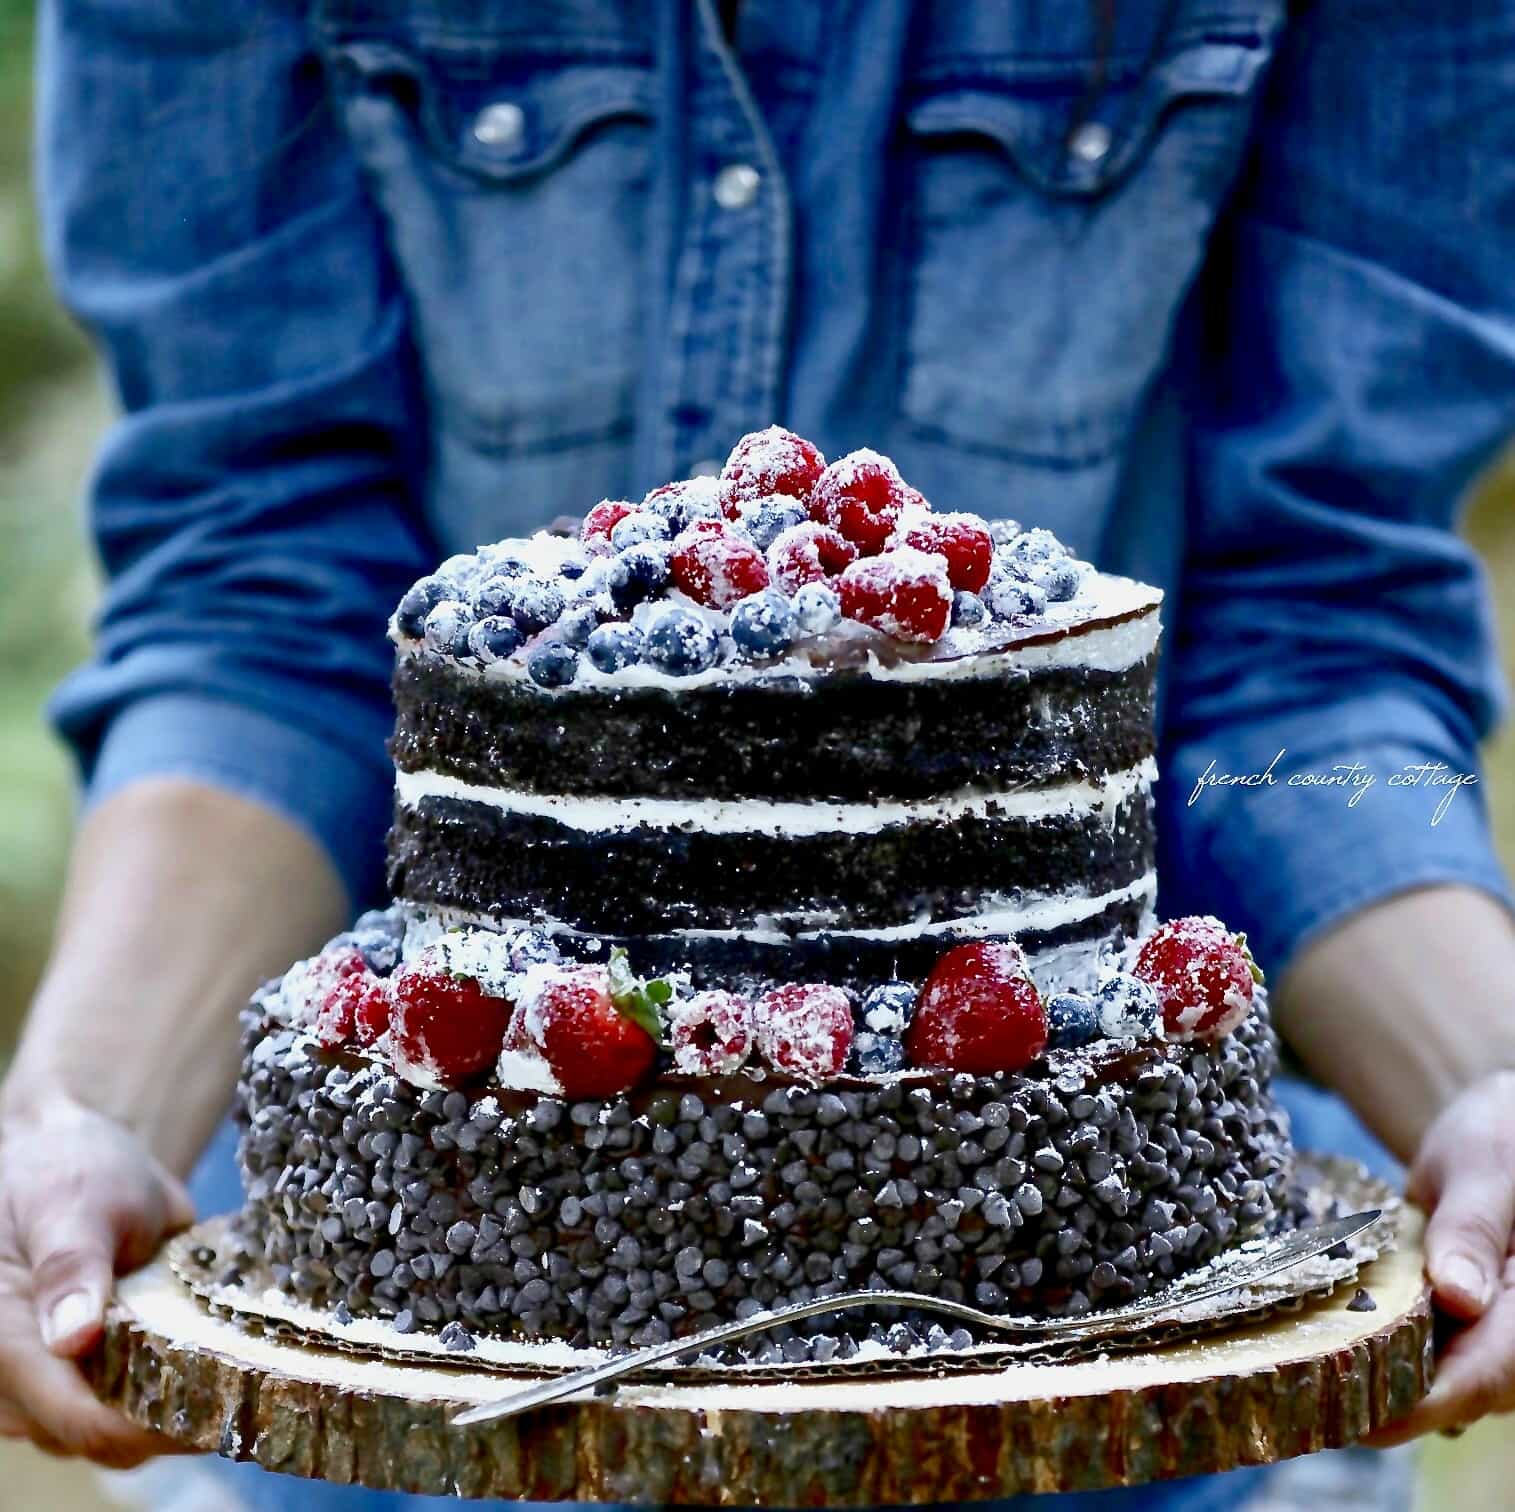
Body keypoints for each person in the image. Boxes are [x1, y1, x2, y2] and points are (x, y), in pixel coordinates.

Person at [3, 1, 1512, 1508]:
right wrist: (86, 1112)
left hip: (1100, 1321)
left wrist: (1487, 1075)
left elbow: (1315, 632)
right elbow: (262, 598)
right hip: (427, 1348)